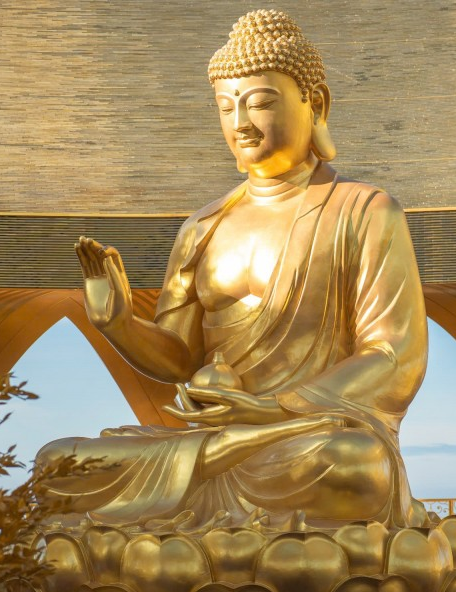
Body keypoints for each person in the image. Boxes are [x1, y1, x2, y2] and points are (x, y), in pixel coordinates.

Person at [38, 9, 430, 531]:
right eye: (226, 108)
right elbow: (181, 359)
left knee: (357, 467)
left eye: (261, 103)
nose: (240, 123)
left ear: (317, 103)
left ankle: (190, 526)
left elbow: (393, 356)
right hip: (212, 444)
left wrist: (272, 410)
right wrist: (120, 325)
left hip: (302, 439)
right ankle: (231, 514)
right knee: (57, 466)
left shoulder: (364, 211)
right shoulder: (202, 226)